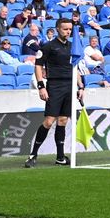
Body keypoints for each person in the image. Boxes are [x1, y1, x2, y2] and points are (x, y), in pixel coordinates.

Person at [26, 17, 76, 168]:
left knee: (63, 121)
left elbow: (76, 67)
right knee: (49, 121)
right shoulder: (48, 46)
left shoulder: (73, 47)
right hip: (54, 85)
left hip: (70, 85)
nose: (67, 32)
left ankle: (60, 157)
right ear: (57, 29)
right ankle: (33, 155)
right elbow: (38, 65)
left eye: (69, 29)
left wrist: (81, 87)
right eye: (65, 29)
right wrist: (41, 86)